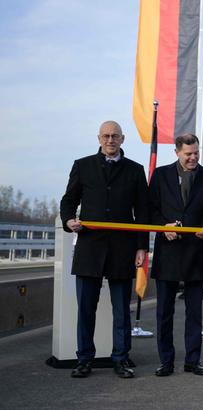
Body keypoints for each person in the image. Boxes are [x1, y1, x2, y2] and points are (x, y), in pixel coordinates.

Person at [60, 120, 149, 379]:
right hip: (90, 248)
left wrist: (142, 246)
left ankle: (120, 359)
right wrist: (68, 221)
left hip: (123, 249)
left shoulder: (135, 170)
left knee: (122, 310)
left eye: (115, 136)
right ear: (99, 138)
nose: (110, 140)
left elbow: (142, 211)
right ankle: (84, 359)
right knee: (86, 309)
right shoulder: (82, 165)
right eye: (106, 136)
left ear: (123, 139)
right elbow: (68, 200)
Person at [149, 133, 203, 377]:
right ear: (177, 152)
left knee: (195, 313)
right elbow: (151, 210)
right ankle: (166, 361)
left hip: (195, 252)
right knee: (164, 312)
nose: (193, 158)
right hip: (167, 252)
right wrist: (163, 227)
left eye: (196, 153)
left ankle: (193, 360)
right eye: (188, 154)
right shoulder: (160, 175)